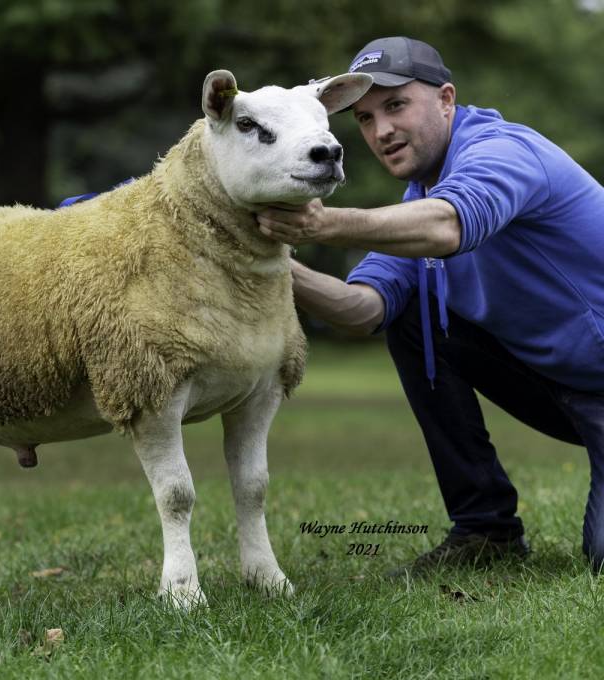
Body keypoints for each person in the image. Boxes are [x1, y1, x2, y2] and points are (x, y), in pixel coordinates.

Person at [256, 36, 604, 575]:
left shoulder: (502, 151)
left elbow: (449, 225)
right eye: (366, 119)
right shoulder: (416, 203)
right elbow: (361, 309)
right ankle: (485, 531)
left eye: (396, 106)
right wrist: (271, 262)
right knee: (407, 316)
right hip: (566, 387)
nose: (381, 131)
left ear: (446, 99)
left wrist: (322, 223)